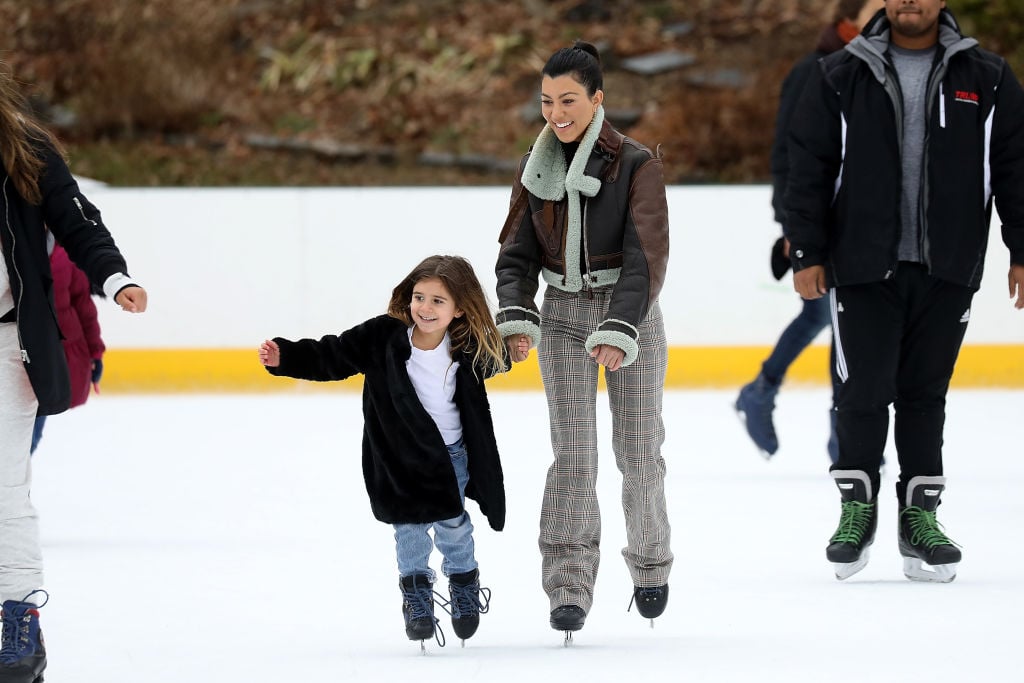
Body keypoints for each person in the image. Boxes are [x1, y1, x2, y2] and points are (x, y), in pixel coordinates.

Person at [785, 0, 1024, 583]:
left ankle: (920, 518)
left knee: (924, 396)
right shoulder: (840, 73)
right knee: (861, 392)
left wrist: (1022, 247)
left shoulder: (987, 77)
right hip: (863, 268)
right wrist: (806, 251)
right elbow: (809, 167)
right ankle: (856, 510)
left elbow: (1015, 166)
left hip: (948, 266)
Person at [495, 40, 672, 637]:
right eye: (546, 101)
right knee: (572, 455)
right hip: (564, 315)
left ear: (597, 99)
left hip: (629, 313)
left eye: (567, 99)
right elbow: (515, 255)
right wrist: (518, 316)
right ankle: (568, 583)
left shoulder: (638, 165)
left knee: (638, 447)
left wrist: (621, 327)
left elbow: (648, 259)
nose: (555, 113)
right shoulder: (535, 165)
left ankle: (650, 564)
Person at [258, 255, 512, 648]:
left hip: (451, 456)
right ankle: (417, 597)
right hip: (399, 456)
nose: (424, 308)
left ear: (460, 309)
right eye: (419, 297)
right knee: (408, 528)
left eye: (437, 301)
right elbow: (334, 354)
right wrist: (286, 357)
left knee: (451, 524)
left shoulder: (467, 346)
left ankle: (463, 581)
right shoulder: (382, 337)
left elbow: (497, 361)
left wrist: (517, 347)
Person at [0, 62, 148, 682]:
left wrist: (114, 278)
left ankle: (17, 620)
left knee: (4, 490)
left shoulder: (23, 148)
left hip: (8, 344)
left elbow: (76, 217)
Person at [736, 0, 877, 464]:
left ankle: (763, 392)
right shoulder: (813, 70)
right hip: (818, 223)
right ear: (848, 19)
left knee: (829, 318)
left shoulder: (883, 67)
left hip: (862, 222)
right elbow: (788, 155)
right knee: (836, 319)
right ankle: (842, 437)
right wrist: (793, 226)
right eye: (876, 7)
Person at [30, 244, 106, 454]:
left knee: (32, 439)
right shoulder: (17, 241)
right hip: (20, 354)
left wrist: (94, 352)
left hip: (53, 358)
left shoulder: (68, 249)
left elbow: (82, 302)